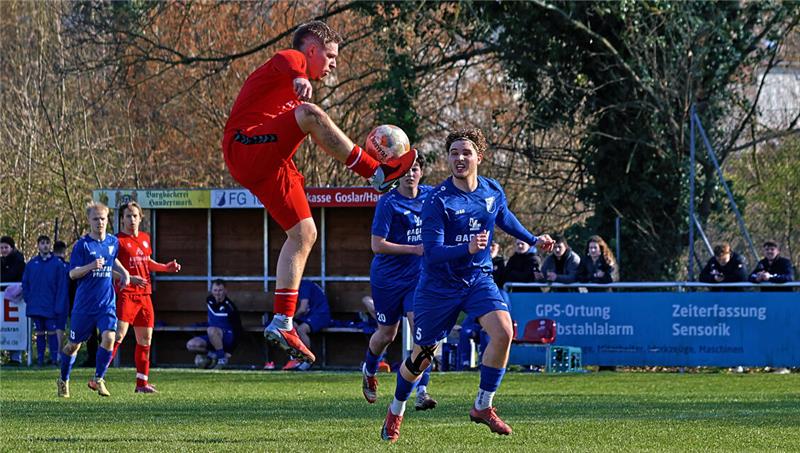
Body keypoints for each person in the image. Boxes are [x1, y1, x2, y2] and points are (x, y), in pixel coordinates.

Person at [222, 20, 418, 365]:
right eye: (329, 56)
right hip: (245, 144)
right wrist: (299, 73)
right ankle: (376, 172)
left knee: (304, 233)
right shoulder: (289, 63)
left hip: (272, 165)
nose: (333, 64)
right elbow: (289, 59)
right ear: (311, 50)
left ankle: (283, 320)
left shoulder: (294, 84)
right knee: (310, 114)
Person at [379, 128, 555, 442]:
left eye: (466, 152)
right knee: (420, 359)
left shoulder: (491, 190)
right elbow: (432, 254)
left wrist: (533, 239)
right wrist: (468, 248)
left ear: (479, 157)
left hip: (477, 279)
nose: (460, 158)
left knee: (503, 332)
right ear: (448, 159)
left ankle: (483, 406)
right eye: (454, 153)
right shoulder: (438, 200)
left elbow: (504, 216)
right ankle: (395, 410)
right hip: (438, 287)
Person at [361, 159, 437, 410]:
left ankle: (421, 391)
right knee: (387, 334)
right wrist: (414, 249)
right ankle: (369, 370)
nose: (410, 175)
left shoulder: (430, 196)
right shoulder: (388, 202)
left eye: (415, 169)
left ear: (421, 172)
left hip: (417, 280)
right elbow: (377, 244)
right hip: (387, 280)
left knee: (423, 333)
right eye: (405, 171)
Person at [57, 202, 130, 398]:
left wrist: (124, 273)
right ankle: (63, 379)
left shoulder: (113, 242)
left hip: (106, 303)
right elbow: (73, 273)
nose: (100, 222)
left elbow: (111, 259)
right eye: (96, 219)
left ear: (108, 220)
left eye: (103, 219)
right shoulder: (83, 245)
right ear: (89, 220)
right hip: (84, 306)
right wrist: (90, 266)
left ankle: (98, 379)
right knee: (73, 345)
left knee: (109, 337)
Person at [109, 201, 181, 393]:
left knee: (145, 339)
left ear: (141, 218)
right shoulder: (116, 241)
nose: (131, 219)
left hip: (145, 296)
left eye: (134, 215)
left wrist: (165, 268)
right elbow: (109, 268)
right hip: (126, 294)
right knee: (118, 336)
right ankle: (98, 376)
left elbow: (147, 262)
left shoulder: (145, 238)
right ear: (122, 219)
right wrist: (127, 278)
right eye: (127, 216)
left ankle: (141, 384)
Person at [22, 235, 69, 366]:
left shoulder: (57, 264)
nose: (45, 246)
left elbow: (62, 287)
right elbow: (25, 284)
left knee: (52, 333)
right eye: (42, 243)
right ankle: (40, 359)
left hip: (51, 306)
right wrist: (28, 299)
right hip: (36, 305)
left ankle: (54, 359)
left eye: (47, 243)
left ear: (50, 245)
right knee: (40, 333)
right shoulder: (31, 264)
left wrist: (59, 305)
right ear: (38, 245)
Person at [186, 279, 243, 369]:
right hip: (212, 336)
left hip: (227, 336)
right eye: (215, 290)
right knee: (191, 345)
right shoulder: (209, 301)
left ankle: (222, 360)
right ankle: (214, 356)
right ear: (211, 291)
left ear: (225, 291)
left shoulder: (230, 307)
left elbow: (238, 329)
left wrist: (230, 351)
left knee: (211, 329)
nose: (217, 293)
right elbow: (213, 304)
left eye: (220, 290)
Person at [283, 279, 331, 371]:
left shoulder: (304, 285)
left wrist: (290, 318)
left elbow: (303, 309)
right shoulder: (298, 286)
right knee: (291, 326)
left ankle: (307, 360)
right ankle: (296, 358)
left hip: (321, 315)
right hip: (311, 315)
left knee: (301, 330)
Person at [1, 235, 26, 365]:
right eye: (1, 248)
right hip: (4, 302)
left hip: (17, 301)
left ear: (12, 247)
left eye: (6, 247)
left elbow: (11, 275)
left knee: (17, 327)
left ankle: (16, 358)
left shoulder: (18, 260)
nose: (3, 250)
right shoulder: (2, 261)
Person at [52, 240, 74, 350]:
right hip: (66, 301)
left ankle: (55, 353)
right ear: (64, 252)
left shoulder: (48, 264)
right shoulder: (67, 266)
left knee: (46, 329)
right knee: (62, 327)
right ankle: (60, 352)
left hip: (49, 300)